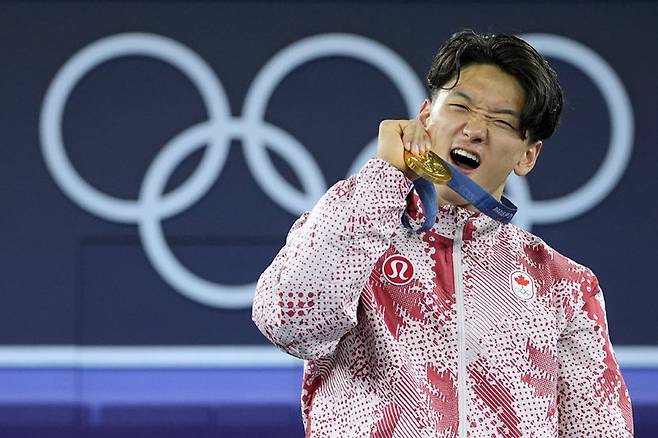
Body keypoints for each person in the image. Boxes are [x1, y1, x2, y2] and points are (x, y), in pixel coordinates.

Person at [252, 30, 634, 437]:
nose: (474, 129)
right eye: (460, 107)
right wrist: (385, 179)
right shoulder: (354, 229)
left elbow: (601, 428)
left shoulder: (565, 286)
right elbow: (289, 323)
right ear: (424, 119)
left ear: (528, 155)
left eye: (501, 121)